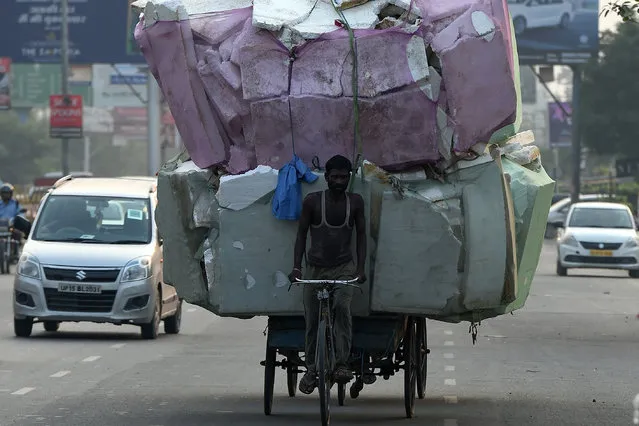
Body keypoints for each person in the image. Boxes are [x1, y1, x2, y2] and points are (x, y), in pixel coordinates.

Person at [289, 154, 367, 395]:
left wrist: (360, 269)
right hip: (315, 267)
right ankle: (312, 368)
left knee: (342, 309)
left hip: (344, 267)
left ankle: (342, 363)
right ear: (327, 177)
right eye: (334, 177)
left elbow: (362, 236)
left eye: (344, 177)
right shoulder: (312, 202)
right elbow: (301, 235)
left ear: (349, 177)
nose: (339, 181)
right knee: (312, 319)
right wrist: (296, 267)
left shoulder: (355, 202)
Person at [0, 183, 22, 258]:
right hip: (1, 227)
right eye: (4, 193)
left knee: (18, 234)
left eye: (7, 193)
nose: (6, 195)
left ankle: (16, 252)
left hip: (11, 226)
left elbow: (20, 214)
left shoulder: (15, 204)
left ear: (11, 194)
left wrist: (17, 220)